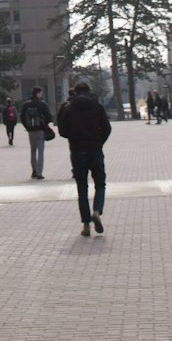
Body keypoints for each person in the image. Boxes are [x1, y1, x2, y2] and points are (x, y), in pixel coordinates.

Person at [56, 82, 112, 236]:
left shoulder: (69, 107)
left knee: (82, 188)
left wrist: (74, 138)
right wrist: (98, 142)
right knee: (100, 184)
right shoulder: (97, 106)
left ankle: (86, 225)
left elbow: (62, 130)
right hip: (95, 149)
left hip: (77, 151)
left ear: (75, 92)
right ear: (89, 91)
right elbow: (107, 128)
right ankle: (97, 211)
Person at [20, 88, 53, 180]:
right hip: (40, 130)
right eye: (41, 93)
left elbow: (22, 117)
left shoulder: (26, 104)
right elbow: (49, 117)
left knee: (33, 151)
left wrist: (27, 127)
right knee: (41, 152)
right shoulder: (42, 104)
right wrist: (44, 125)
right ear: (38, 94)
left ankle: (34, 170)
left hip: (31, 131)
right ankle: (39, 172)